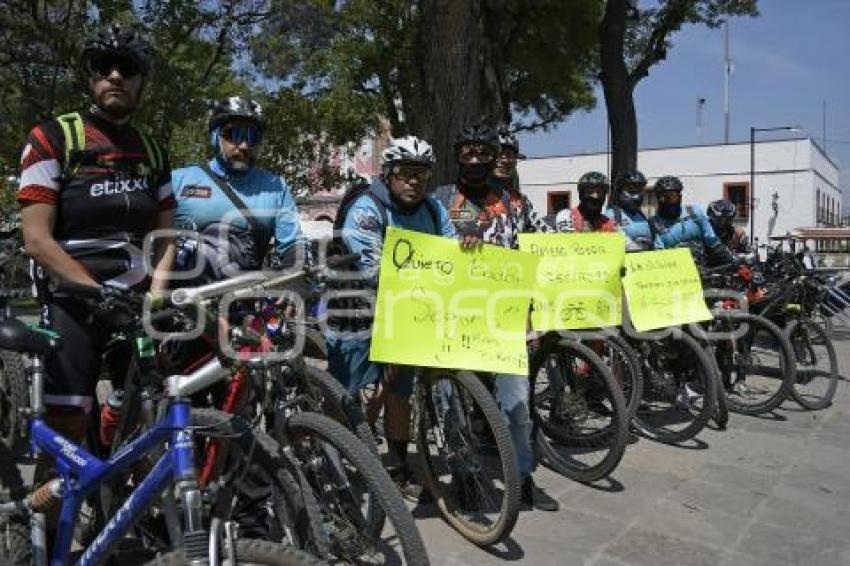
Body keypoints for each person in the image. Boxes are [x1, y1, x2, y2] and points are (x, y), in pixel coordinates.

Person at [16, 23, 175, 517]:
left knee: (148, 415)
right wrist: (93, 290)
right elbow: (37, 240)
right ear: (89, 78)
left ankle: (115, 499)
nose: (114, 76)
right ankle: (43, 527)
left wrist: (160, 289)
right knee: (66, 428)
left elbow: (166, 234)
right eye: (102, 67)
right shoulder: (52, 138)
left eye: (126, 68)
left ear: (141, 80)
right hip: (72, 296)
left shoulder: (151, 150)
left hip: (134, 299)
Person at [434, 122, 559, 512]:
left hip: (506, 324)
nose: (475, 161)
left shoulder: (514, 203)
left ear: (494, 158)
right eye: (467, 153)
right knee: (450, 405)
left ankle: (522, 476)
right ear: (457, 157)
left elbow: (542, 241)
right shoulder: (437, 200)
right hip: (453, 324)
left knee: (518, 406)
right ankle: (465, 475)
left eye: (483, 154)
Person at [325, 135, 460, 492]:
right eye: (404, 172)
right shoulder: (368, 209)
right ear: (388, 174)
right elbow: (371, 270)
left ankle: (399, 466)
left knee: (400, 390)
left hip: (405, 307)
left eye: (421, 173)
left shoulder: (433, 210)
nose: (413, 180)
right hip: (357, 307)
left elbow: (452, 251)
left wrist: (469, 248)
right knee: (347, 392)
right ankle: (333, 458)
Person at [171, 96, 307, 282]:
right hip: (178, 301)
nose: (244, 145)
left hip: (242, 301)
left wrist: (293, 279)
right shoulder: (178, 180)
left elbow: (293, 244)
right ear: (215, 137)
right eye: (234, 134)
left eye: (253, 137)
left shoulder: (276, 187)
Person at [649, 176, 734, 266]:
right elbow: (659, 254)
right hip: (675, 273)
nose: (668, 201)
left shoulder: (694, 212)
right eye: (664, 197)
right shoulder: (654, 223)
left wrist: (732, 261)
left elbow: (712, 242)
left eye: (673, 196)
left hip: (704, 270)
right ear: (658, 199)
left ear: (680, 197)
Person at [489, 128, 553, 233]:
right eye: (498, 154)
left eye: (510, 155)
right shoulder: (470, 197)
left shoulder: (521, 201)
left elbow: (544, 231)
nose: (505, 160)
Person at [606, 170, 658, 251]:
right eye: (631, 190)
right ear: (619, 191)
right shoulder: (611, 215)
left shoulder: (643, 216)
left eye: (639, 190)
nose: (636, 196)